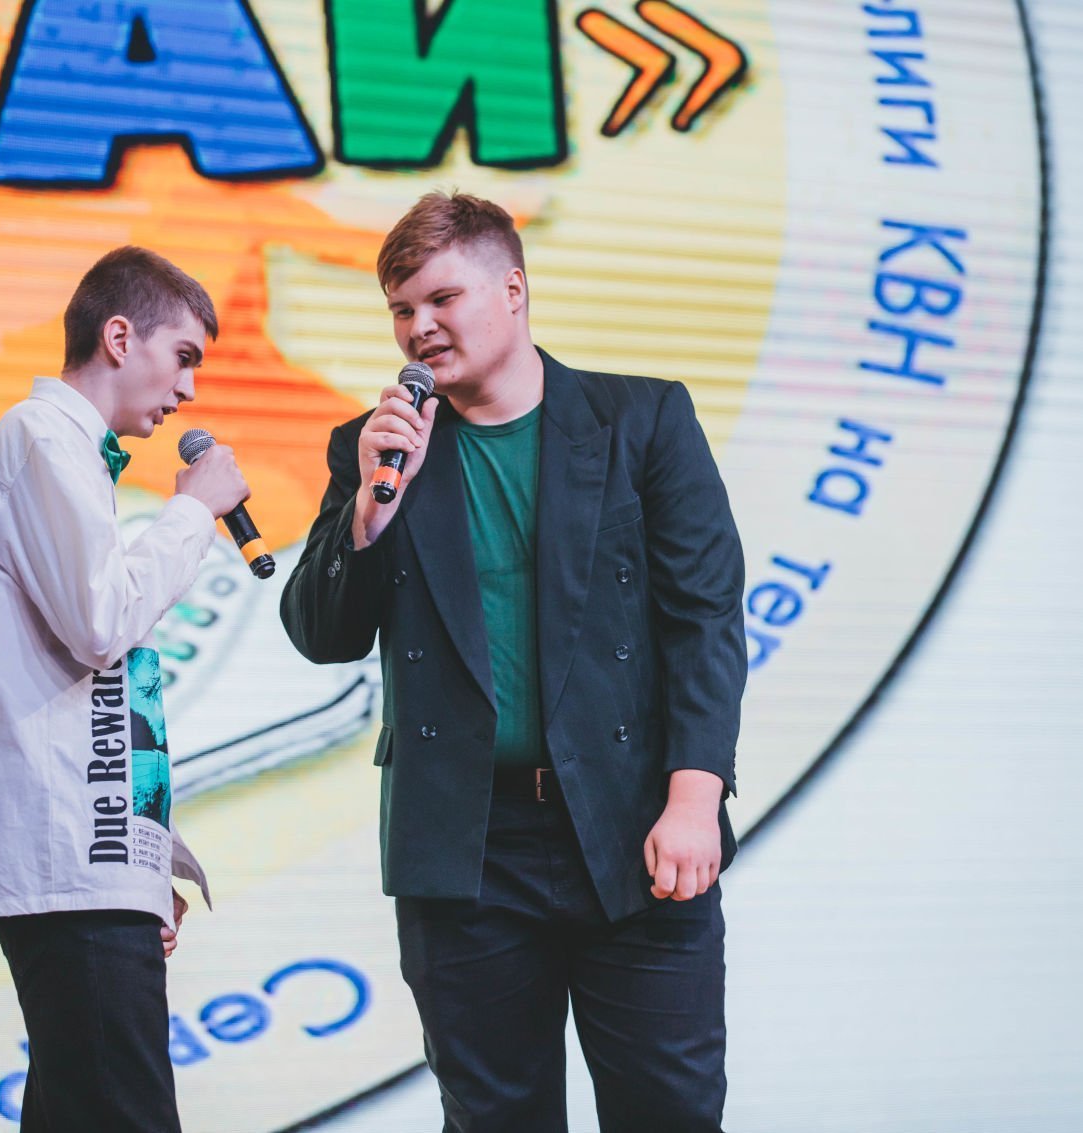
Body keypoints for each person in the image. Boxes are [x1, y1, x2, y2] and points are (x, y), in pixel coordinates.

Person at [280, 192, 747, 1132]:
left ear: (515, 290)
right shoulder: (374, 451)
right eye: (401, 309)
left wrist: (695, 798)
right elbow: (323, 633)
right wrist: (370, 508)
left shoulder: (641, 420)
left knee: (670, 1108)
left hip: (632, 825)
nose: (419, 327)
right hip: (467, 848)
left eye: (441, 299)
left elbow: (703, 619)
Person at [0, 245, 249, 1132]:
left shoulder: (71, 452)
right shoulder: (41, 437)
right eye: (183, 356)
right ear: (120, 337)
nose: (188, 390)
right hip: (70, 863)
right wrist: (194, 509)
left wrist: (145, 861)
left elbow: (103, 686)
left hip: (95, 857)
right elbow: (98, 622)